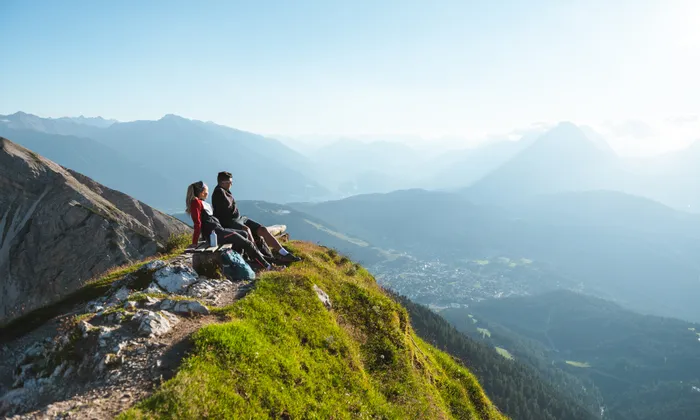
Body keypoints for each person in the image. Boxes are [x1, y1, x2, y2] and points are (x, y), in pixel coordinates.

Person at [212, 171, 301, 263]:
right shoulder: (219, 192)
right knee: (247, 230)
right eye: (230, 182)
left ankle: (284, 253)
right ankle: (259, 255)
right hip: (228, 221)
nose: (232, 184)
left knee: (262, 229)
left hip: (239, 219)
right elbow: (222, 214)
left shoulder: (225, 191)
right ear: (223, 183)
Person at [185, 180, 273, 270]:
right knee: (247, 243)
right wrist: (194, 243)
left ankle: (242, 261)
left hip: (219, 231)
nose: (208, 193)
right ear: (202, 192)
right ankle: (267, 266)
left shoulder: (202, 203)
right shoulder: (195, 202)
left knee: (244, 234)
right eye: (207, 190)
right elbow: (197, 223)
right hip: (216, 234)